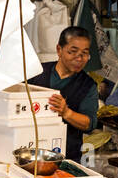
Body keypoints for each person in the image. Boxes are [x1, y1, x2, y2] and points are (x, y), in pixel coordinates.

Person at [28, 26, 99, 159]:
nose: (79, 58)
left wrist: (67, 112)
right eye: (73, 52)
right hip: (30, 151)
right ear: (59, 50)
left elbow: (89, 123)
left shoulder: (88, 85)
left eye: (84, 54)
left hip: (66, 156)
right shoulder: (36, 73)